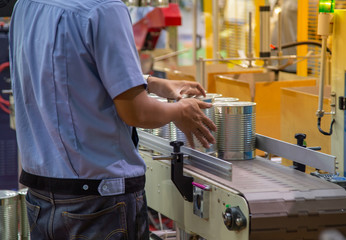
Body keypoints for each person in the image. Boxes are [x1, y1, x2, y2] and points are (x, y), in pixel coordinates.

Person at [9, 0, 216, 239]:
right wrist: (180, 112)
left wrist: (149, 82)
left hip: (41, 197)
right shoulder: (105, 7)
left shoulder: (26, 5)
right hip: (98, 203)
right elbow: (137, 112)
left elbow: (69, 69)